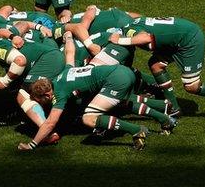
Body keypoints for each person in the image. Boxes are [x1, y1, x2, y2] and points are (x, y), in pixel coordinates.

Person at [17, 33, 175, 151]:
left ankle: (137, 131)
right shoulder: (63, 74)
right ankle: (165, 119)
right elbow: (69, 53)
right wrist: (69, 37)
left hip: (115, 79)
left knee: (89, 118)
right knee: (122, 104)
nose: (42, 104)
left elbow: (50, 123)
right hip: (121, 71)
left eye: (41, 101)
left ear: (47, 95)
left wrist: (32, 144)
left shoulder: (60, 93)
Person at [109, 16, 205, 119]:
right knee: (156, 65)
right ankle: (174, 108)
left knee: (192, 86)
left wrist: (120, 40)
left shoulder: (129, 31)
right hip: (177, 39)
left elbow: (145, 38)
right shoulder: (131, 20)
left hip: (190, 41)